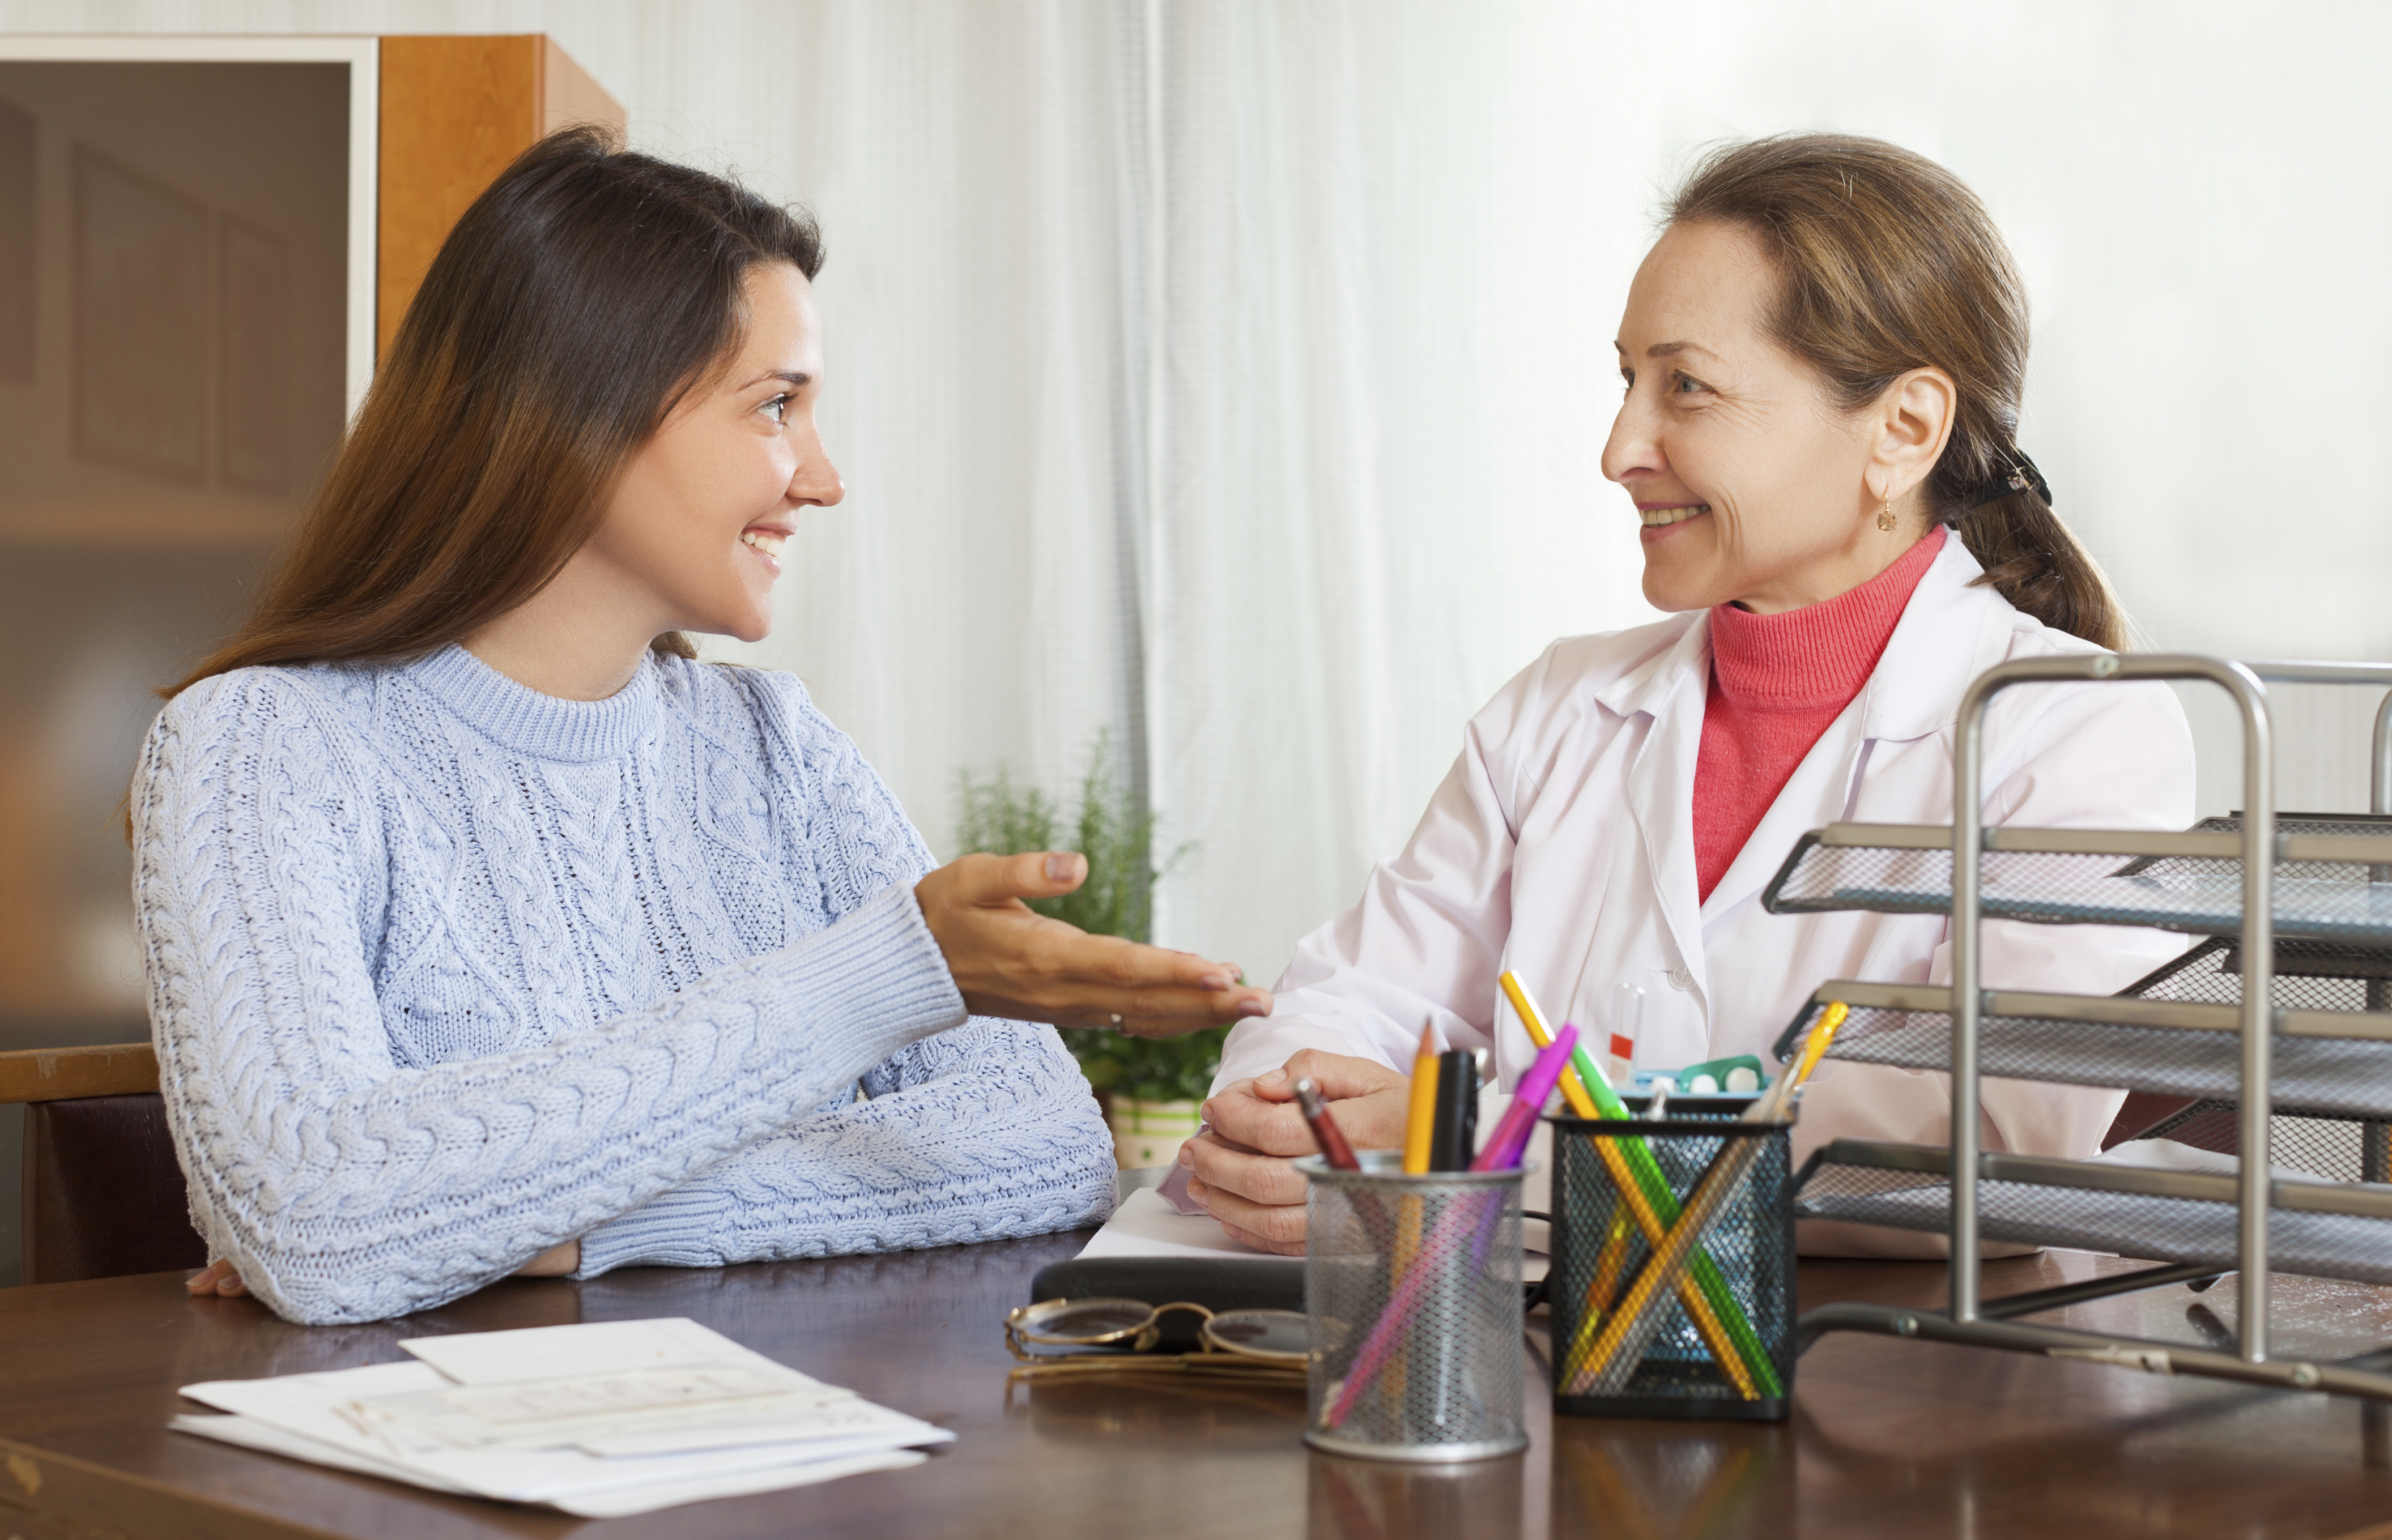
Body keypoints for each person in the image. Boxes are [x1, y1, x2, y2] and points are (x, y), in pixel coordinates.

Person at [139, 129, 1266, 1326]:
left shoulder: (776, 745)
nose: (821, 478)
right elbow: (316, 1217)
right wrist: (876, 979)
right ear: (581, 405)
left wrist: (590, 1221)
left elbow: (1040, 1144)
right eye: (776, 405)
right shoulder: (262, 747)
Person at [1179, 133, 2193, 1255]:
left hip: (1890, 1391)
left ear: (1900, 430)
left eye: (1686, 388)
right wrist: (1284, 1115)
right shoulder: (1560, 706)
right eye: (1627, 381)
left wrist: (1480, 1156)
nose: (1619, 448)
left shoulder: (2074, 728)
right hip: (1537, 1372)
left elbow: (2000, 1130)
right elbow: (1351, 992)